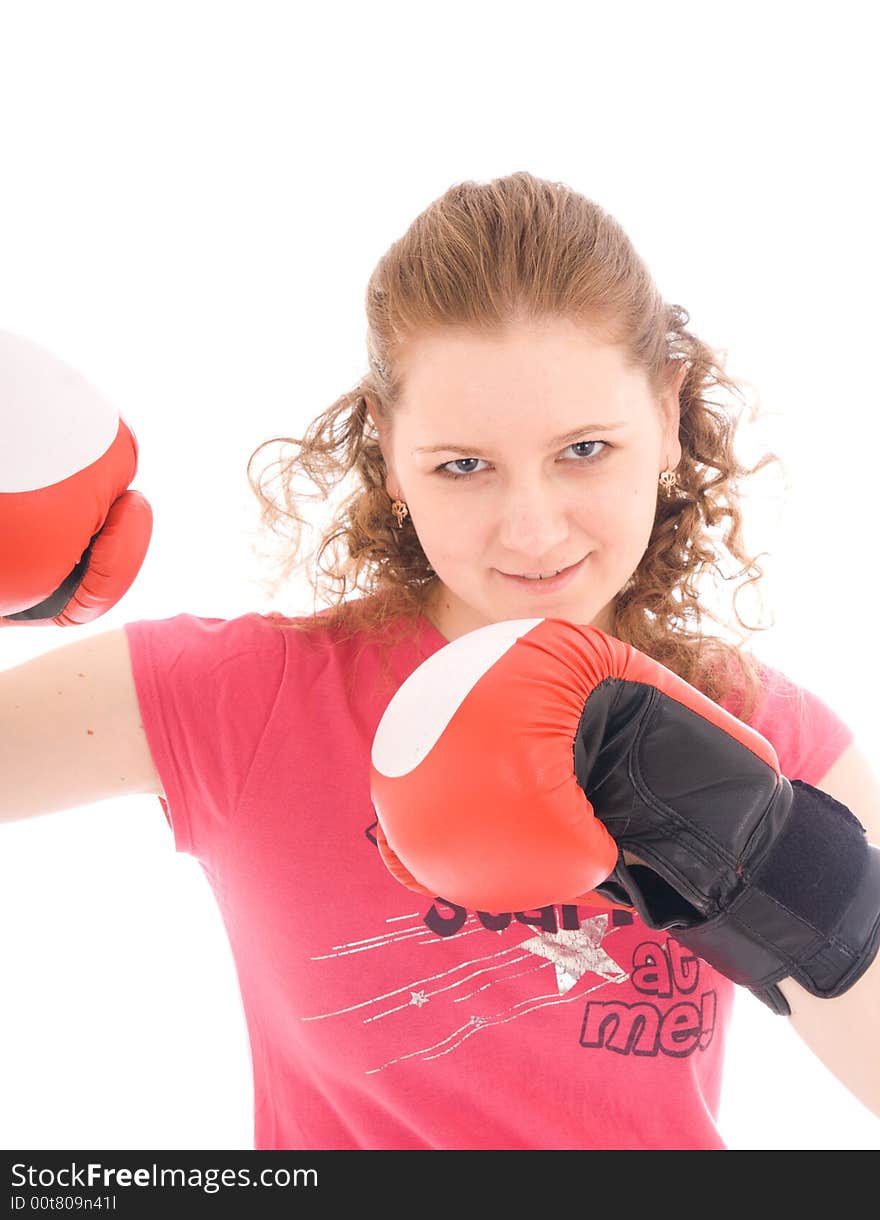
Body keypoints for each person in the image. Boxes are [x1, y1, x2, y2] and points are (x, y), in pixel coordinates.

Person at [2, 171, 878, 1151]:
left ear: (668, 418)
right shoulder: (248, 698)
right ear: (386, 448)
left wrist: (762, 855)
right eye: (463, 464)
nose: (531, 527)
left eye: (583, 448)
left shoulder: (758, 722)